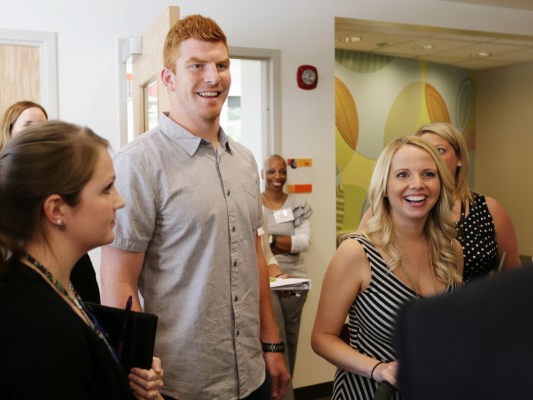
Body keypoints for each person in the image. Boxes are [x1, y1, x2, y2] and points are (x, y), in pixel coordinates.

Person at [100, 14, 289, 400]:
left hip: (251, 374)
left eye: (222, 65)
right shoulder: (139, 164)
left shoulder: (244, 160)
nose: (213, 77)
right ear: (168, 79)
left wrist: (271, 342)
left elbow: (254, 254)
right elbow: (118, 280)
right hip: (179, 384)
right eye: (197, 66)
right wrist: (135, 365)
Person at [0, 120, 163, 399]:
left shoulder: (50, 284)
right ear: (57, 209)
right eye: (106, 189)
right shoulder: (37, 327)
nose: (119, 201)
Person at [312, 136, 463, 399]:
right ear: (384, 187)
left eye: (428, 174)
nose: (417, 184)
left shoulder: (451, 251)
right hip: (370, 392)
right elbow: (322, 338)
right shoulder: (356, 252)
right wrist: (379, 369)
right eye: (403, 174)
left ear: (440, 184)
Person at [0, 100, 100, 302]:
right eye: (28, 126)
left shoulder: (62, 174)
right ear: (9, 133)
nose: (38, 133)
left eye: (43, 126)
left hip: (73, 271)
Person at [396, 264, 533, 399]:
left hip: (449, 375)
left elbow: (454, 322)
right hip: (391, 381)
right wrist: (382, 368)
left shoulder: (451, 254)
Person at [415, 122, 521, 282]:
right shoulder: (404, 208)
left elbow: (513, 277)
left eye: (440, 150)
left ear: (459, 158)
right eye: (425, 151)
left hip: (479, 298)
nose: (433, 157)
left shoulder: (489, 209)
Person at [261, 154, 312, 400]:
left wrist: (270, 239)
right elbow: (259, 249)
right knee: (275, 343)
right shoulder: (254, 204)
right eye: (271, 171)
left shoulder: (297, 203)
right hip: (266, 281)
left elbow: (304, 242)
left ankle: (284, 392)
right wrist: (283, 244)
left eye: (282, 171)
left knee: (290, 341)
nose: (277, 177)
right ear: (263, 174)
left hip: (295, 282)